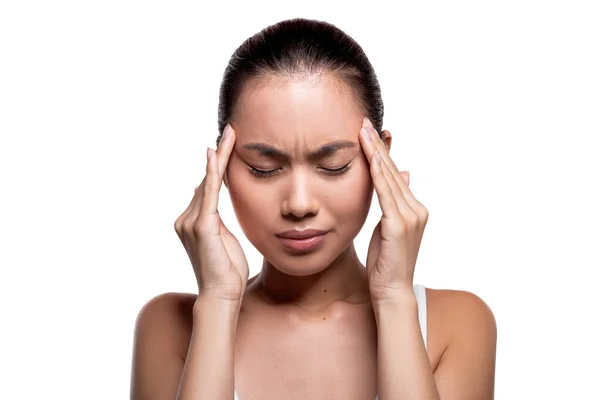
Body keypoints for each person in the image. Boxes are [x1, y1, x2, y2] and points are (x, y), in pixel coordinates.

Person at [130, 17, 497, 400]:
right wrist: (218, 301)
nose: (299, 204)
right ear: (220, 167)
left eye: (333, 166)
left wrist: (393, 297)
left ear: (380, 157)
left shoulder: (457, 324)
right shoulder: (169, 327)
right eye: (264, 169)